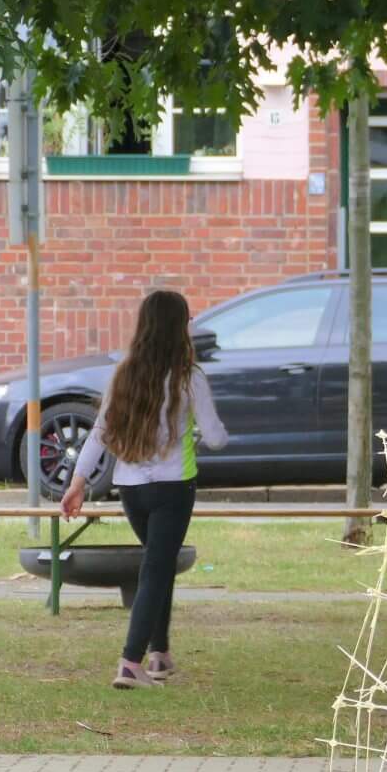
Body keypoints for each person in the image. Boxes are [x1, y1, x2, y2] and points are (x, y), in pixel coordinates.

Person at [64, 289, 230, 690]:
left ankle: (160, 654)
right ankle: (129, 662)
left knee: (160, 563)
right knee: (156, 569)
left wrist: (78, 482)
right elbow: (216, 437)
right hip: (174, 488)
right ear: (180, 328)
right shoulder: (190, 377)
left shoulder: (125, 372)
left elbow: (99, 434)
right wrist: (205, 432)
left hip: (131, 490)